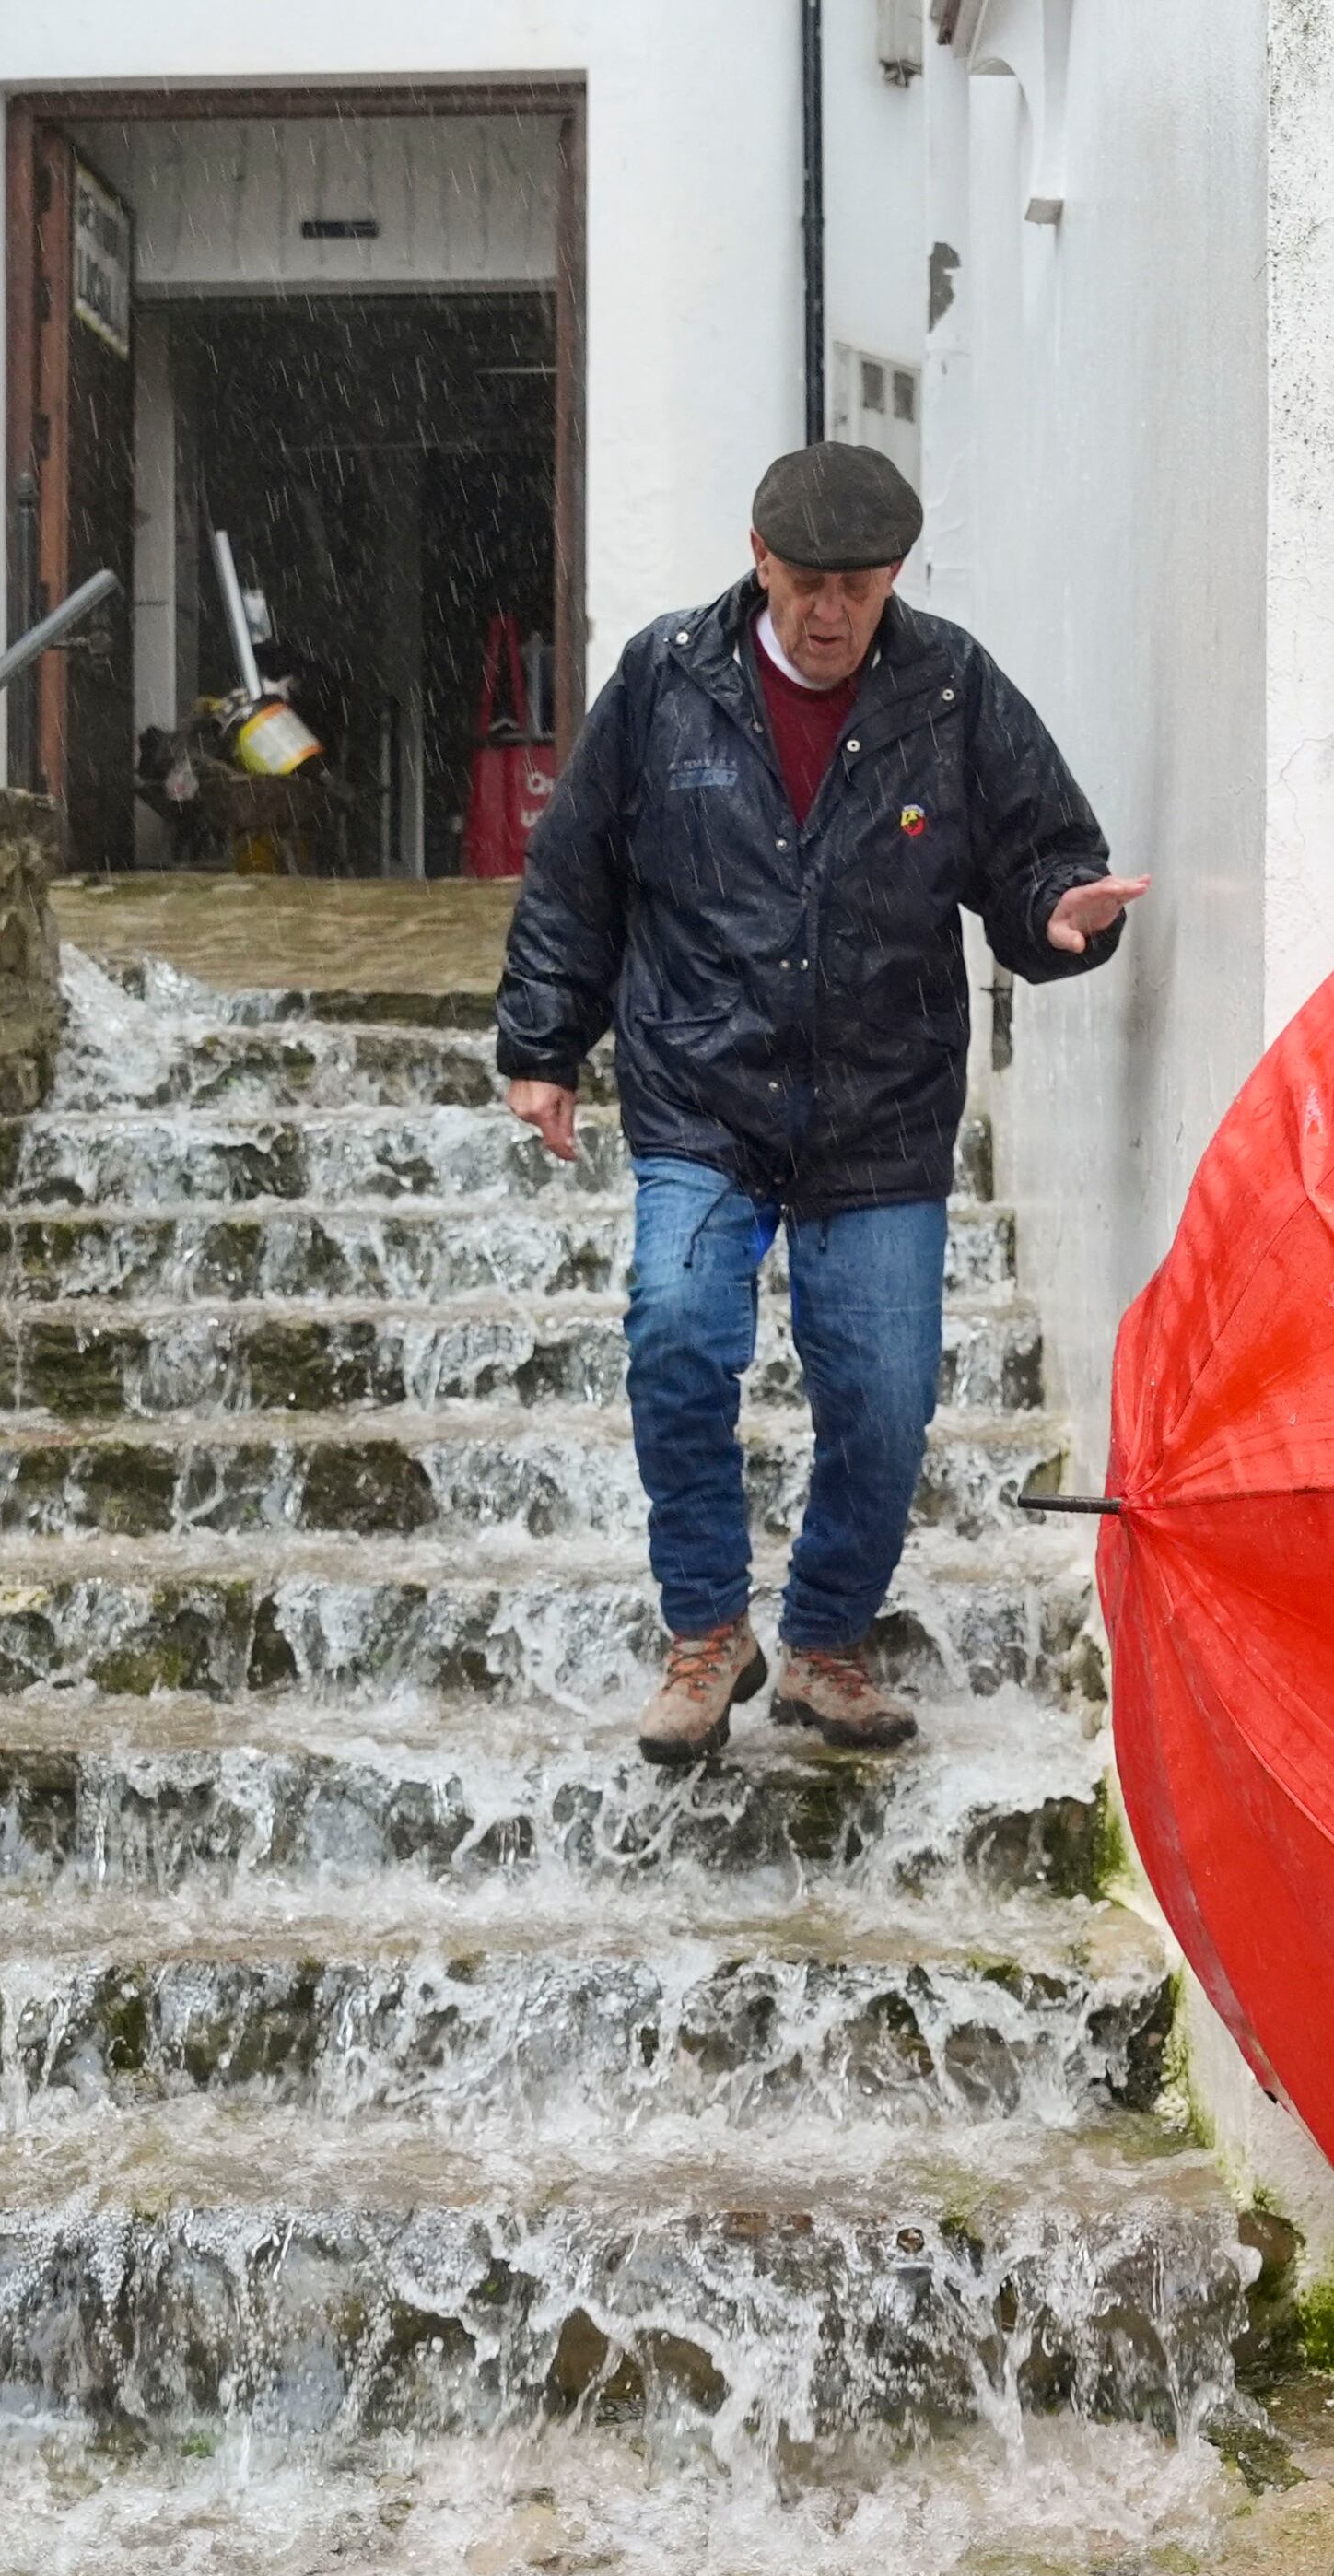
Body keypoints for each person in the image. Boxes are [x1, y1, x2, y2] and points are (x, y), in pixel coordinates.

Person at [494, 443, 1145, 1764]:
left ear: (894, 576)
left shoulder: (954, 688)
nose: (830, 613)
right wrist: (545, 1044)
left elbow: (1041, 859)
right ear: (759, 560)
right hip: (701, 1094)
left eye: (856, 585)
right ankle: (704, 1635)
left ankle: (827, 1644)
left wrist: (1059, 917)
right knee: (676, 1336)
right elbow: (576, 878)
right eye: (805, 585)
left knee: (889, 1399)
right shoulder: (664, 680)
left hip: (880, 1108)